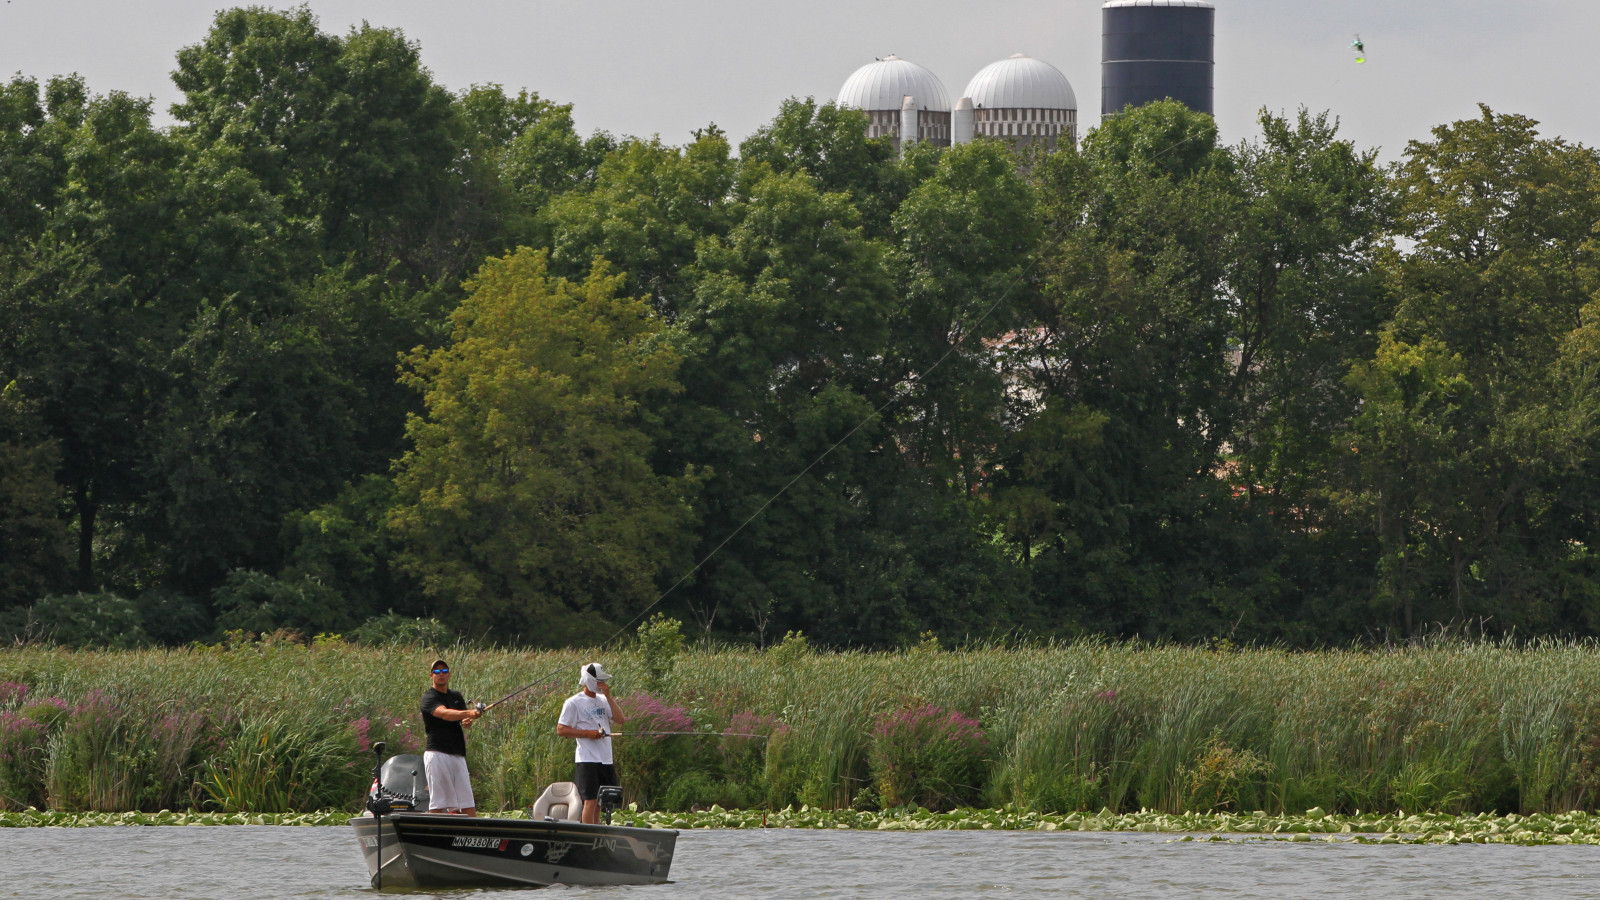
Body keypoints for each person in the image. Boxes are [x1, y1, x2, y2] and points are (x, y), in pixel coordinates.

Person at [556, 662, 626, 824]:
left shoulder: (603, 700)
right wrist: (588, 734)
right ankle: (589, 834)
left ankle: (597, 831)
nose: (602, 684)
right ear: (589, 680)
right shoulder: (573, 702)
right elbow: (561, 730)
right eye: (598, 680)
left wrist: (608, 696)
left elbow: (620, 719)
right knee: (590, 800)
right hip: (587, 758)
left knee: (601, 801)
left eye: (603, 681)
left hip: (605, 758)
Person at [419, 657, 481, 816]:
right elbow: (444, 714)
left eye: (444, 671)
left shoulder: (456, 696)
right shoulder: (428, 697)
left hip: (457, 753)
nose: (441, 674)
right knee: (438, 801)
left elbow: (462, 719)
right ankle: (433, 833)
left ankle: (472, 834)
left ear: (449, 675)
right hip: (437, 753)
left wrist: (467, 721)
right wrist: (469, 713)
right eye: (437, 671)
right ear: (431, 675)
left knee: (467, 801)